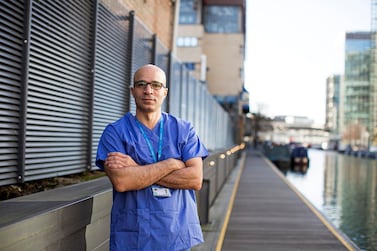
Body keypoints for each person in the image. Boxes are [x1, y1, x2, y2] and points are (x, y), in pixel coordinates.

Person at [96, 64, 208, 251]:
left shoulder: (183, 130)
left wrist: (137, 167)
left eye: (156, 85)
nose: (149, 91)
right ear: (133, 91)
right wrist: (172, 163)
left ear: (165, 92)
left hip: (176, 237)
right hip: (133, 237)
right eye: (142, 84)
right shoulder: (115, 132)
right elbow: (122, 181)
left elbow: (195, 179)